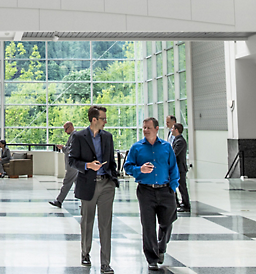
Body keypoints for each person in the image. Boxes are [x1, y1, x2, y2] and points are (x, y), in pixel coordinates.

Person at [124, 117, 180, 271]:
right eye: (144, 128)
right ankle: (152, 258)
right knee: (148, 225)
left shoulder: (166, 147)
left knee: (167, 221)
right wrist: (139, 169)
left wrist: (173, 187)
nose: (146, 130)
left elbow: (173, 168)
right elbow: (127, 167)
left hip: (165, 189)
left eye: (148, 127)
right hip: (146, 190)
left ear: (156, 129)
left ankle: (161, 247)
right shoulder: (137, 148)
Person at [68, 106, 118, 274]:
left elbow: (111, 160)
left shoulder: (108, 137)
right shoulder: (79, 136)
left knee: (105, 224)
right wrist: (87, 165)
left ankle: (105, 263)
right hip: (88, 184)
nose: (105, 121)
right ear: (94, 120)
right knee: (87, 221)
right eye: (103, 118)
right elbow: (72, 161)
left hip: (106, 184)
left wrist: (113, 178)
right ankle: (85, 253)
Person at [49, 121, 78, 208]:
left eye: (66, 129)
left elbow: (72, 150)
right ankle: (85, 201)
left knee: (67, 183)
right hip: (74, 165)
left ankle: (59, 201)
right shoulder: (73, 136)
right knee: (79, 183)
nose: (65, 131)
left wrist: (63, 148)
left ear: (71, 126)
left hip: (72, 166)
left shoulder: (75, 136)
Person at [172, 123, 190, 212]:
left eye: (172, 129)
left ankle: (186, 204)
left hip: (180, 168)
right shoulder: (177, 140)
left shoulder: (180, 141)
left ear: (176, 130)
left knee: (182, 187)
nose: (171, 130)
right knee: (180, 186)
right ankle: (181, 203)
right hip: (178, 168)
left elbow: (174, 154)